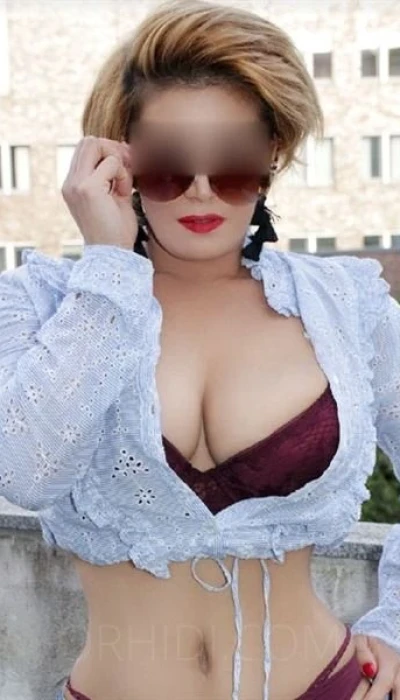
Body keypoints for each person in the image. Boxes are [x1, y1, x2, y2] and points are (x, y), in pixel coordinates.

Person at [1, 1, 399, 699]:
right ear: (118, 160)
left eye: (234, 163)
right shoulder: (44, 303)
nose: (202, 191)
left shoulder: (346, 304)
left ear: (272, 155)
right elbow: (27, 473)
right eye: (168, 166)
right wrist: (109, 268)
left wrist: (394, 624)